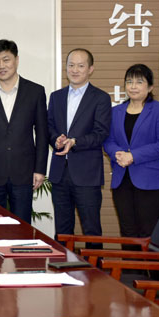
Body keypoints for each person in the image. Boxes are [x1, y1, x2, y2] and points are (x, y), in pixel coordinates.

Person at [0, 39, 48, 223]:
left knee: (22, 226)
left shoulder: (35, 91)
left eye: (6, 60)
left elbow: (42, 134)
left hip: (23, 172)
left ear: (16, 60)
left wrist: (40, 169)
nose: (1, 66)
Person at [47, 48, 111, 246]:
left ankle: (95, 267)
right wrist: (56, 140)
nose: (75, 70)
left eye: (80, 66)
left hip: (87, 174)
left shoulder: (100, 98)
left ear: (90, 69)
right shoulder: (56, 96)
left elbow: (101, 133)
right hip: (60, 174)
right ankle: (64, 265)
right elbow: (49, 127)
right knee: (62, 230)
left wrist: (75, 142)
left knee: (91, 230)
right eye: (71, 65)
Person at [104, 63, 159, 240]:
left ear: (150, 87)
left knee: (148, 233)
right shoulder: (115, 111)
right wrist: (116, 153)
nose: (133, 86)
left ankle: (150, 261)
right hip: (121, 180)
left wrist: (133, 156)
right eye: (129, 81)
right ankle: (130, 261)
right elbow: (108, 140)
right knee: (127, 232)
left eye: (139, 82)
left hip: (150, 181)